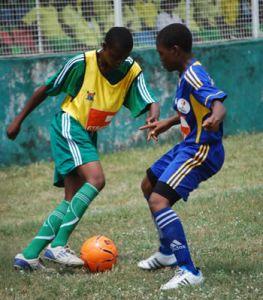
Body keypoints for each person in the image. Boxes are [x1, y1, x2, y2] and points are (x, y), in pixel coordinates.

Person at [7, 27, 159, 271]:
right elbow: (46, 89)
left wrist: (154, 118)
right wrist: (18, 120)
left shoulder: (130, 70)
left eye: (122, 58)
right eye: (113, 56)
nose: (116, 62)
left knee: (71, 199)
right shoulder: (81, 63)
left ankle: (29, 255)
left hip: (88, 133)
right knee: (97, 179)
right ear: (104, 46)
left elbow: (151, 100)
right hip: (69, 125)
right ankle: (57, 246)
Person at [138, 23, 227, 290]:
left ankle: (189, 270)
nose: (160, 58)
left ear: (175, 50)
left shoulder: (194, 75)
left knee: (158, 200)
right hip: (188, 144)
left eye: (162, 53)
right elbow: (193, 108)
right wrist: (168, 122)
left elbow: (218, 104)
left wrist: (215, 117)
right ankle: (167, 252)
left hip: (202, 150)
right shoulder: (186, 72)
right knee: (148, 184)